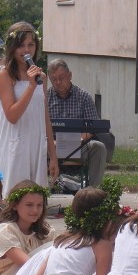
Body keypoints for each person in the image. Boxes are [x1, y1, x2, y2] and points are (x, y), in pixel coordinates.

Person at [0, 21, 58, 199]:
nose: (26, 50)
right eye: (21, 45)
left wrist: (52, 156)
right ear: (12, 48)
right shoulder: (4, 75)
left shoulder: (41, 77)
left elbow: (44, 116)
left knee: (36, 199)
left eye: (31, 44)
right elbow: (12, 115)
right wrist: (31, 86)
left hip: (36, 143)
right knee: (16, 198)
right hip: (15, 143)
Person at [47, 58, 107, 187]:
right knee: (34, 147)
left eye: (61, 77)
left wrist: (77, 140)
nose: (58, 82)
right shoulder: (45, 98)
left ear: (70, 75)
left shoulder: (84, 96)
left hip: (79, 145)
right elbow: (39, 128)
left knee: (98, 147)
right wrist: (52, 143)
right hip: (52, 146)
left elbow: (92, 127)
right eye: (53, 79)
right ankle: (39, 191)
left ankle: (92, 193)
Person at [0, 180, 55, 275]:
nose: (35, 210)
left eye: (39, 205)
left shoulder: (48, 232)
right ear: (15, 206)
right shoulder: (4, 231)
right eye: (29, 205)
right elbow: (28, 264)